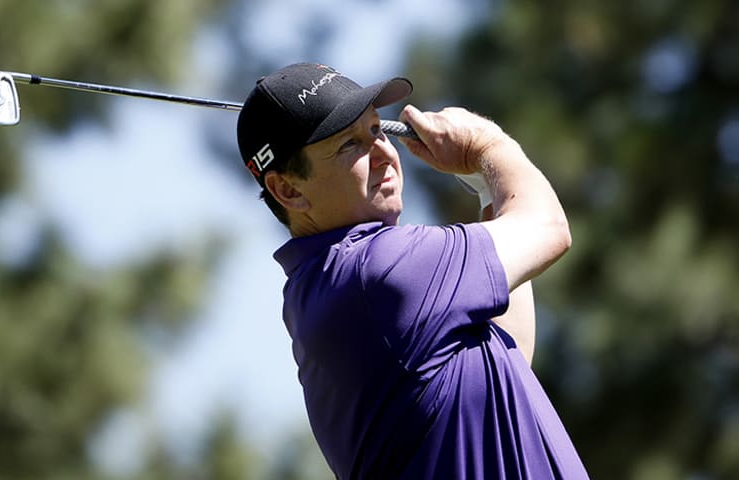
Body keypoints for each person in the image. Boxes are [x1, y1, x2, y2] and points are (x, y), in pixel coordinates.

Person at [237, 62, 589, 479]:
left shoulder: (329, 289)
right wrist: (487, 145)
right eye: (350, 144)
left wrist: (483, 182)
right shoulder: (378, 272)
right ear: (288, 189)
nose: (384, 152)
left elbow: (509, 346)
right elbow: (546, 228)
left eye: (376, 130)